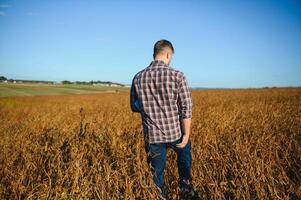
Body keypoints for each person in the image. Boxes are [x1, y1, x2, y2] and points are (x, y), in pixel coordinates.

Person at [130, 39, 199, 199]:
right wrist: (186, 135)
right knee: (184, 157)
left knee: (157, 176)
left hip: (153, 137)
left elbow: (134, 105)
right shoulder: (177, 76)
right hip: (175, 133)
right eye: (171, 57)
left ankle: (160, 196)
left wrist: (148, 108)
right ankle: (185, 187)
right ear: (168, 54)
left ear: (154, 54)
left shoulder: (138, 77)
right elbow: (186, 108)